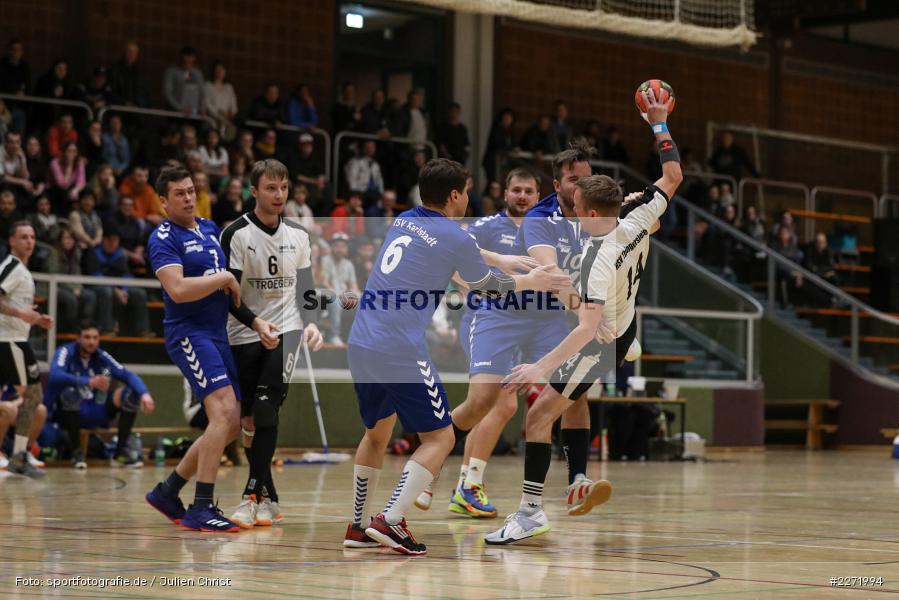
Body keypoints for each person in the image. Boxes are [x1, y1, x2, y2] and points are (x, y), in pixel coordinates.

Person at [343, 158, 568, 554]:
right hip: (398, 346)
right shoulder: (454, 238)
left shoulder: (404, 221)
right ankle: (391, 520)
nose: (468, 199)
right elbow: (484, 285)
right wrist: (531, 279)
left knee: (376, 433)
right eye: (465, 192)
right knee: (441, 436)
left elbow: (457, 258)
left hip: (362, 340)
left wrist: (501, 259)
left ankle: (358, 526)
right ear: (453, 195)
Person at [487, 89, 682, 544]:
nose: (571, 211)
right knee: (563, 404)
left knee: (536, 418)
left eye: (577, 209)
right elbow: (672, 174)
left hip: (597, 339)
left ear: (591, 212)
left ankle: (531, 512)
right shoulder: (635, 213)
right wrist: (658, 122)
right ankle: (574, 482)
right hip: (620, 321)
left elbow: (586, 327)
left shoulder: (597, 260)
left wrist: (540, 366)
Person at [415, 168, 543, 518]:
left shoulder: (542, 229)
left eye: (528, 191)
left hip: (520, 327)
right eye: (515, 189)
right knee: (502, 404)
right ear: (505, 193)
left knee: (491, 405)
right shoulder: (486, 226)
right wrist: (475, 286)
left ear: (537, 195)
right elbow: (453, 256)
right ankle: (447, 471)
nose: (521, 196)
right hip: (483, 321)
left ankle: (455, 478)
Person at [220, 159, 323, 527]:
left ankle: (250, 496)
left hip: (286, 332)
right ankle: (270, 498)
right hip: (243, 333)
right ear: (254, 191)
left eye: (283, 187)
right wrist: (255, 321)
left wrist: (312, 324)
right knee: (248, 420)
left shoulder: (298, 235)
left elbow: (307, 289)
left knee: (265, 410)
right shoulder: (235, 234)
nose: (279, 195)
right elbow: (227, 295)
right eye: (270, 188)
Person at [144, 165, 244, 532]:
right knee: (222, 412)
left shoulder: (209, 228)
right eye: (180, 194)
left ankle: (167, 492)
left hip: (218, 332)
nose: (188, 198)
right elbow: (179, 290)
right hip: (189, 333)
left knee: (231, 423)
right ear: (163, 201)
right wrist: (223, 277)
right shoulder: (163, 237)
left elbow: (229, 288)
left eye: (191, 191)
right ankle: (202, 507)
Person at [47, 320, 155, 468]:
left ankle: (119, 454)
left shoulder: (101, 357)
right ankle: (77, 454)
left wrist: (144, 394)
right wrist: (88, 381)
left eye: (95, 337)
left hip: (97, 407)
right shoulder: (66, 352)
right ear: (78, 338)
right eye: (87, 337)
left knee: (131, 394)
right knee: (69, 392)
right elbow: (55, 375)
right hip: (68, 413)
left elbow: (126, 375)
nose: (91, 342)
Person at [0, 221, 54, 477]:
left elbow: (14, 306)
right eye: (23, 237)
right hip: (9, 340)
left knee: (31, 397)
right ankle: (19, 455)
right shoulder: (11, 266)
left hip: (12, 337)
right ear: (12, 241)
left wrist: (35, 318)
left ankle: (19, 455)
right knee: (34, 395)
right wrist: (20, 313)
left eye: (32, 237)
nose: (30, 242)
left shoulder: (22, 270)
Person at [88, 227, 151, 336]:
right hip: (98, 287)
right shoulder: (93, 253)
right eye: (110, 240)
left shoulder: (120, 255)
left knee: (139, 294)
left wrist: (124, 290)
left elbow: (125, 275)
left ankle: (142, 330)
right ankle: (107, 329)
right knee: (106, 292)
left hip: (118, 288)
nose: (113, 243)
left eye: (116, 240)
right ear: (104, 240)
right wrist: (114, 290)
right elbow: (95, 276)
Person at [45, 227, 96, 332]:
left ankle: (84, 325)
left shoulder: (75, 254)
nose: (69, 241)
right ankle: (71, 329)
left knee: (90, 295)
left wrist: (78, 288)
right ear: (60, 240)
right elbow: (54, 275)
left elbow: (77, 274)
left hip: (71, 287)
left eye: (71, 239)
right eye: (66, 238)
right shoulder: (54, 253)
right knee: (71, 299)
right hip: (53, 287)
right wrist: (72, 289)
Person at [163, 47, 204, 116]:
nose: (188, 63)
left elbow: (202, 94)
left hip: (195, 114)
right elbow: (167, 93)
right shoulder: (172, 72)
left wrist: (202, 109)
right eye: (186, 61)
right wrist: (180, 108)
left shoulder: (197, 74)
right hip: (177, 113)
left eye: (191, 62)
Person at [108, 40, 148, 108]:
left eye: (134, 52)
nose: (131, 55)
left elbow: (144, 92)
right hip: (120, 108)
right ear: (124, 52)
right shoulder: (114, 70)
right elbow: (111, 92)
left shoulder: (140, 73)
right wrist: (124, 103)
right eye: (129, 52)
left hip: (137, 110)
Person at [482, 108, 517, 184]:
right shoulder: (497, 129)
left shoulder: (511, 131)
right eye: (506, 118)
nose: (507, 120)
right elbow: (497, 143)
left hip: (503, 162)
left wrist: (514, 148)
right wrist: (510, 148)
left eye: (509, 118)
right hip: (492, 161)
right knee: (493, 183)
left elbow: (513, 143)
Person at [204, 62, 237, 139]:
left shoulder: (229, 87)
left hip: (227, 121)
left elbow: (234, 107)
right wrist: (220, 117)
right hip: (213, 120)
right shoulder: (208, 86)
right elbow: (208, 105)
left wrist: (230, 114)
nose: (220, 73)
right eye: (217, 70)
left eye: (222, 70)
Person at [49, 141, 86, 209]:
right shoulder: (55, 163)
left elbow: (81, 181)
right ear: (64, 152)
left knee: (86, 190)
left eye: (74, 151)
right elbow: (62, 184)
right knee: (64, 192)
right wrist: (70, 165)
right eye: (69, 151)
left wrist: (76, 190)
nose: (72, 154)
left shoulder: (79, 162)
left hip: (72, 188)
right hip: (55, 189)